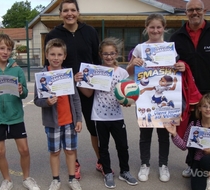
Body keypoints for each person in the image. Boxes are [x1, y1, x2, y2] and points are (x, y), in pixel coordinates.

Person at [169, 0, 210, 183]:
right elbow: (169, 63)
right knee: (193, 130)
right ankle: (192, 164)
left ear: (204, 11)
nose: (194, 13)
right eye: (191, 10)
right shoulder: (177, 37)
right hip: (189, 92)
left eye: (198, 9)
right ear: (186, 13)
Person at [44, 0, 101, 179]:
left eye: (73, 10)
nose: (70, 13)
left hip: (88, 88)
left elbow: (96, 60)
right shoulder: (54, 34)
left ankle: (101, 160)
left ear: (78, 12)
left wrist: (97, 82)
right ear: (60, 13)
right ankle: (74, 164)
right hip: (65, 91)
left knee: (94, 128)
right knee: (69, 129)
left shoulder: (90, 31)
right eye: (66, 10)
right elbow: (48, 65)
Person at [126, 13, 186, 183]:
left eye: (158, 27)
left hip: (167, 99)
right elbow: (129, 73)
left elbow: (178, 71)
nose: (155, 30)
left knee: (163, 134)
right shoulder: (139, 48)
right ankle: (145, 164)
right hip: (145, 99)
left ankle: (163, 165)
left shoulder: (170, 47)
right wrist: (133, 64)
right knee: (145, 133)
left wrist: (181, 67)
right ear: (146, 28)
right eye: (151, 27)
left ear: (164, 28)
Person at [75, 37, 138, 188]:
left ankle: (125, 171)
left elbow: (127, 92)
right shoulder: (96, 72)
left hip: (117, 116)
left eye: (111, 53)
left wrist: (127, 102)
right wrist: (78, 82)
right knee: (103, 147)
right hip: (99, 116)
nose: (109, 56)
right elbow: (89, 94)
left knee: (122, 146)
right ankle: (108, 172)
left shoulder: (122, 73)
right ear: (100, 54)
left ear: (116, 54)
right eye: (105, 54)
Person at [0, 34, 40, 190]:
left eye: (8, 49)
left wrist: (21, 90)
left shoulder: (17, 70)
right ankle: (7, 180)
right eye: (2, 48)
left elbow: (25, 93)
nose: (5, 52)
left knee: (24, 149)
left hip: (15, 115)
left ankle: (26, 178)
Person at [34, 38, 82, 190]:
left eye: (59, 54)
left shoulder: (68, 74)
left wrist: (78, 119)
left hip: (70, 121)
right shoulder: (42, 76)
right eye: (52, 54)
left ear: (64, 56)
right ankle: (55, 179)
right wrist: (46, 102)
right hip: (52, 123)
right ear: (46, 55)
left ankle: (72, 178)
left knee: (70, 150)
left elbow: (75, 99)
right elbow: (36, 100)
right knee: (54, 152)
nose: (56, 58)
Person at [165, 93, 210, 190]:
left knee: (207, 160)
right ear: (199, 108)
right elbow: (184, 146)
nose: (208, 109)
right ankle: (203, 174)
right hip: (198, 161)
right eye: (205, 106)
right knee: (197, 188)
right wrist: (174, 134)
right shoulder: (194, 125)